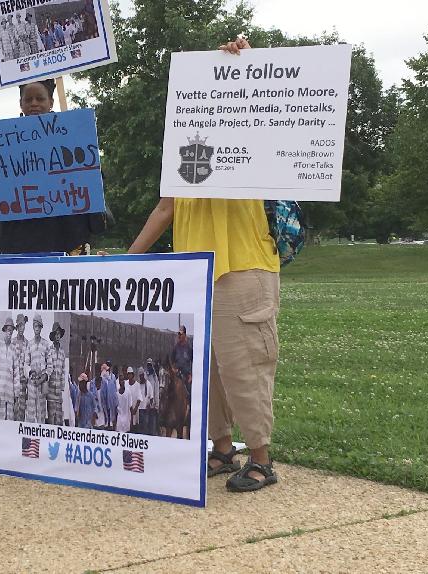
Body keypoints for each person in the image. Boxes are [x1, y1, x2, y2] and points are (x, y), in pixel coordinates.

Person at [127, 35, 280, 492]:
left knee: (243, 367)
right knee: (207, 371)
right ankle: (222, 449)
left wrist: (242, 62)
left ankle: (262, 460)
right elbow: (165, 209)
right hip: (196, 271)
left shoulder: (255, 137)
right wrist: (126, 260)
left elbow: (274, 104)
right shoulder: (182, 151)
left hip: (244, 267)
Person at [0, 79, 94, 255]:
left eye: (40, 99)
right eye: (28, 100)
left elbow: (92, 179)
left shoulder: (73, 134)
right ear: (21, 103)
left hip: (66, 235)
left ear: (51, 102)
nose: (34, 103)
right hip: (19, 237)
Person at [25, 313, 50, 424]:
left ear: (41, 328)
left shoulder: (46, 344)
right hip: (31, 384)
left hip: (42, 384)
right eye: (35, 326)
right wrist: (30, 373)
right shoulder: (29, 344)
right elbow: (25, 364)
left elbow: (50, 365)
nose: (37, 329)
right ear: (33, 327)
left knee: (41, 414)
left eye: (39, 326)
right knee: (31, 414)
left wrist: (43, 377)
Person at [0, 317, 20, 420]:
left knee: (10, 418)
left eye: (11, 331)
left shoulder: (14, 349)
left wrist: (16, 394)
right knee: (0, 418)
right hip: (0, 390)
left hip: (10, 391)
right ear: (4, 330)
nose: (10, 333)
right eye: (8, 331)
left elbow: (16, 373)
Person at [46, 321, 67, 425]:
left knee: (59, 418)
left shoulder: (62, 351)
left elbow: (63, 370)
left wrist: (62, 386)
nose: (57, 336)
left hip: (59, 390)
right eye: (56, 334)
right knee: (51, 417)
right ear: (53, 336)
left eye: (59, 334)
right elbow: (49, 369)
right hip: (51, 388)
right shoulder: (49, 350)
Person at [12, 313, 31, 420]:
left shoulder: (27, 343)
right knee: (14, 410)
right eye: (19, 326)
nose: (21, 328)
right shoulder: (12, 342)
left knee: (22, 410)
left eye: (23, 325)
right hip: (14, 383)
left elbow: (28, 364)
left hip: (23, 383)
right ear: (17, 327)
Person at [145, 358, 160, 435]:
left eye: (150, 365)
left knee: (153, 425)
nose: (149, 366)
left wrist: (157, 405)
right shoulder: (144, 376)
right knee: (146, 425)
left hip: (153, 406)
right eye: (148, 365)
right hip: (145, 406)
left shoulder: (155, 377)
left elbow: (156, 391)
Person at [137, 367, 154, 435]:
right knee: (140, 427)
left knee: (145, 427)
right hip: (139, 409)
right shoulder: (138, 384)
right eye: (140, 375)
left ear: (144, 375)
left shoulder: (148, 384)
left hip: (146, 410)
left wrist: (149, 405)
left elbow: (151, 397)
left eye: (142, 375)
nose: (141, 376)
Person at [125, 366, 142, 432]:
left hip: (134, 411)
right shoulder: (125, 384)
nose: (129, 375)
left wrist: (135, 409)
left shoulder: (137, 385)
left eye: (130, 374)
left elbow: (139, 398)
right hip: (127, 410)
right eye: (128, 374)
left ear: (133, 375)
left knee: (134, 428)